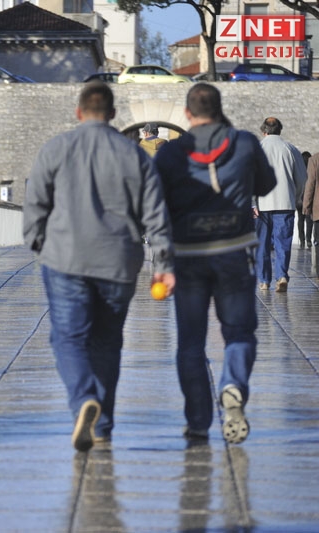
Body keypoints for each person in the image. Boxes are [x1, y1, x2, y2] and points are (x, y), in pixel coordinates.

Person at [23, 82, 175, 452]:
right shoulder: (134, 154)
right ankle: (103, 425)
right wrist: (163, 262)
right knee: (107, 341)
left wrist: (38, 243)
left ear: (79, 113)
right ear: (113, 115)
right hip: (118, 261)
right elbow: (156, 212)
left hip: (66, 259)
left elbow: (35, 202)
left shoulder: (56, 148)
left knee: (68, 337)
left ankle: (84, 399)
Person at [154, 83, 276, 445]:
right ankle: (233, 384)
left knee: (190, 342)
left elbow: (155, 209)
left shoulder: (170, 153)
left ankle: (197, 421)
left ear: (187, 114)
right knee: (239, 332)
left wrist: (161, 261)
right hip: (234, 252)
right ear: (220, 109)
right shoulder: (244, 142)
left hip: (187, 257)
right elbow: (266, 185)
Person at [253, 117, 307, 292]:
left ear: (263, 131)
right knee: (283, 242)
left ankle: (264, 280)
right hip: (285, 202)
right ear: (280, 130)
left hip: (261, 204)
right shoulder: (291, 149)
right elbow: (302, 179)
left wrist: (252, 202)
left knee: (262, 244)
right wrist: (295, 196)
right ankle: (282, 275)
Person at [297, 151, 313, 249]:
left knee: (300, 219)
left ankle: (302, 240)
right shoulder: (311, 170)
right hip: (308, 198)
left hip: (299, 199)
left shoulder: (299, 170)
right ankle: (308, 240)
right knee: (309, 220)